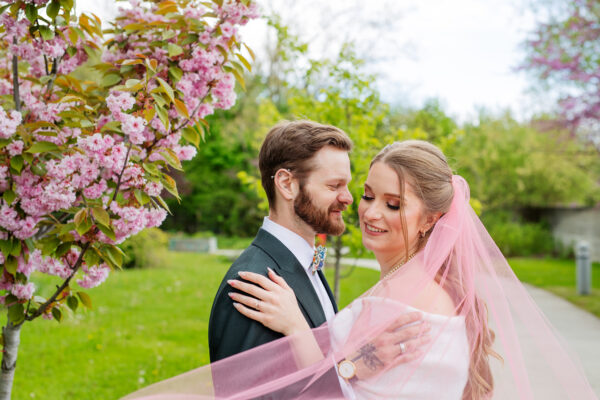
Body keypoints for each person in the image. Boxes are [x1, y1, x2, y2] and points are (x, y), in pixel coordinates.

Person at [123, 140, 597, 399]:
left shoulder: (406, 297)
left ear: (433, 218)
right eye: (367, 195)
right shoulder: (418, 283)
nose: (367, 211)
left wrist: (298, 328)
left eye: (394, 204)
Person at [207, 121, 427, 397]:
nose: (348, 198)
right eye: (334, 185)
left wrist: (353, 367)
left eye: (348, 186)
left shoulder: (308, 265)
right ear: (287, 184)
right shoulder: (256, 285)